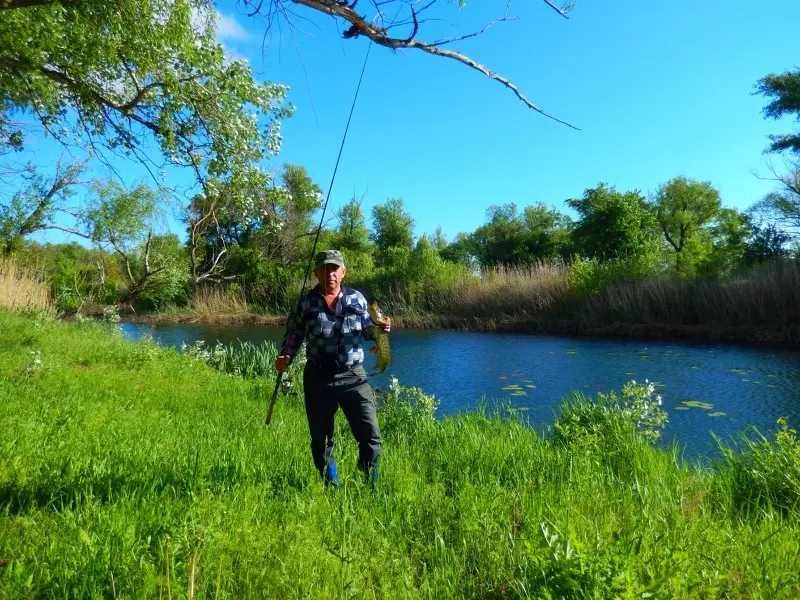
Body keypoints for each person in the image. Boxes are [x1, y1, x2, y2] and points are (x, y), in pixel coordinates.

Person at [275, 250, 391, 487]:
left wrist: (382, 327)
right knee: (322, 438)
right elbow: (293, 335)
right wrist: (285, 355)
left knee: (370, 434)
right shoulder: (305, 302)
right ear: (317, 272)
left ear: (343, 272)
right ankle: (331, 485)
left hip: (353, 375)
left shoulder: (357, 299)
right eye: (325, 269)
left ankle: (371, 483)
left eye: (335, 269)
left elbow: (370, 331)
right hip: (318, 376)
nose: (330, 273)